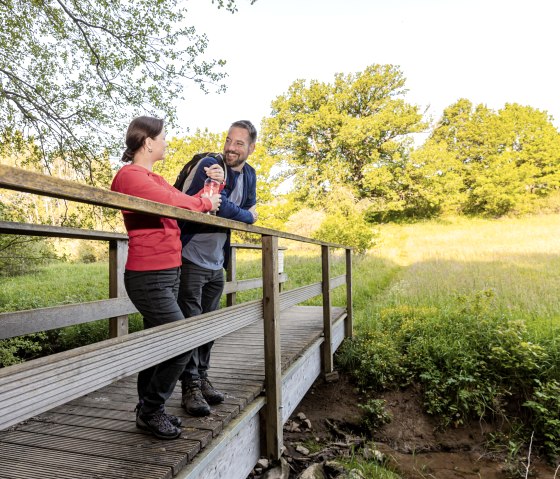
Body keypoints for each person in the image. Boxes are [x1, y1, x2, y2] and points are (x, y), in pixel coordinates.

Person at [110, 116, 222, 439]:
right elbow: (172, 201)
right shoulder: (129, 175)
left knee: (155, 345)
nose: (166, 142)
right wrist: (204, 202)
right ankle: (151, 409)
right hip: (148, 275)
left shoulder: (152, 177)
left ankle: (148, 409)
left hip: (168, 272)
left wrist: (209, 189)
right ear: (147, 142)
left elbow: (176, 198)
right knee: (181, 340)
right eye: (162, 137)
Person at [177, 120, 258, 416]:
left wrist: (244, 213)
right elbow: (216, 205)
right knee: (191, 323)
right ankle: (190, 387)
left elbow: (245, 205)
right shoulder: (210, 165)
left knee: (208, 325)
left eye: (239, 143)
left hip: (216, 260)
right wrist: (247, 217)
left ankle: (203, 378)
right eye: (228, 141)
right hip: (191, 255)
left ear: (251, 147)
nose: (231, 148)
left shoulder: (249, 174)